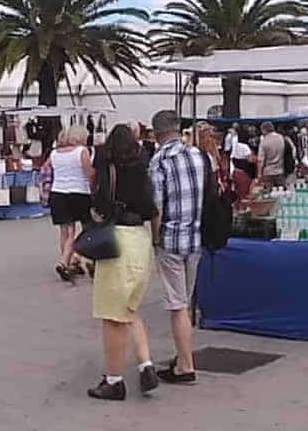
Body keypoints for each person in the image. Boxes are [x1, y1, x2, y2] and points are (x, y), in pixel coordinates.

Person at [87, 125, 160, 401]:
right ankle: (145, 365)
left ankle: (114, 380)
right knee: (130, 307)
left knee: (112, 316)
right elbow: (153, 209)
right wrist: (155, 240)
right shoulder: (143, 169)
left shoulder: (109, 169)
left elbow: (98, 205)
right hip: (141, 239)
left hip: (118, 240)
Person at [150, 110, 206, 385]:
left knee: (178, 304)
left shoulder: (158, 160)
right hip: (194, 237)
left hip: (171, 238)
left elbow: (157, 206)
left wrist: (154, 236)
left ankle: (186, 365)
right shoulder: (196, 155)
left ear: (156, 134)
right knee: (186, 301)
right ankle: (184, 356)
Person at [48, 125, 95, 281]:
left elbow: (48, 170)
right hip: (79, 193)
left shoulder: (54, 153)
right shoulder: (82, 151)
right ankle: (69, 260)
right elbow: (89, 174)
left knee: (66, 231)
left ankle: (69, 261)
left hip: (58, 192)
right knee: (88, 227)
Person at [257, 122, 286, 188]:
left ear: (264, 130)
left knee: (269, 195)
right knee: (281, 194)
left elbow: (260, 160)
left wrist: (259, 175)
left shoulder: (264, 141)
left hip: (268, 172)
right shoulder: (281, 138)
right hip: (280, 170)